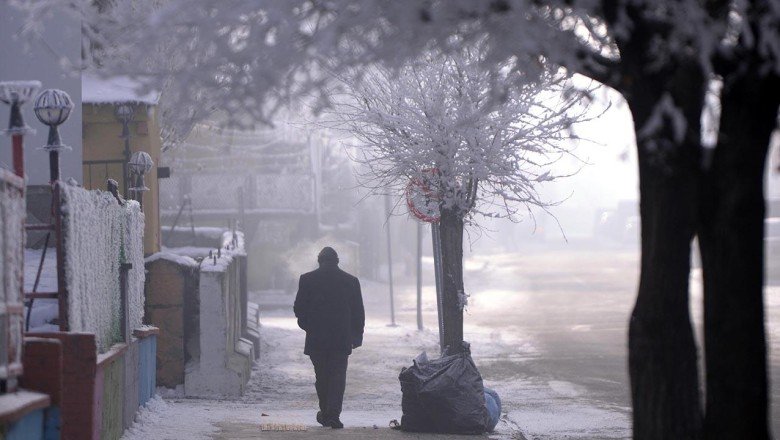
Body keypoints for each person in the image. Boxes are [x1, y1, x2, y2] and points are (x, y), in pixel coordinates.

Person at [293, 247, 365, 429]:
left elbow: (298, 309)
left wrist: (308, 325)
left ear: (319, 261)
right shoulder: (350, 281)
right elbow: (358, 313)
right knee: (338, 377)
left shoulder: (307, 279)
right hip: (341, 339)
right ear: (337, 261)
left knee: (322, 376)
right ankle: (333, 415)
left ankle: (326, 412)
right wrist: (357, 335)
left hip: (316, 339)